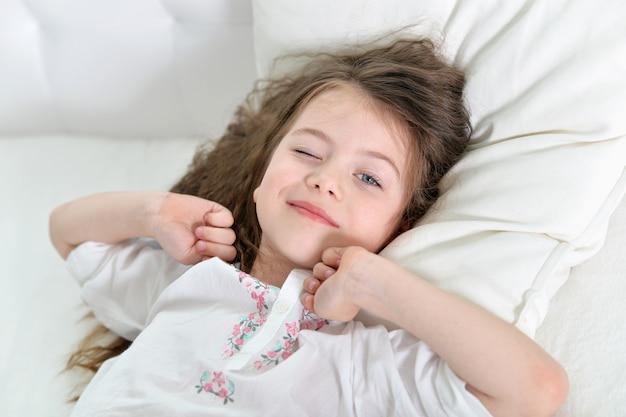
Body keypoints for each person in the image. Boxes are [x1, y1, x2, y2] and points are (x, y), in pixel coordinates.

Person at [50, 37, 568, 417]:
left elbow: (536, 389)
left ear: (401, 227)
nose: (323, 180)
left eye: (368, 177)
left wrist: (375, 282)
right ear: (262, 177)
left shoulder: (364, 364)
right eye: (306, 152)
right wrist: (153, 212)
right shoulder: (188, 282)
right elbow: (67, 232)